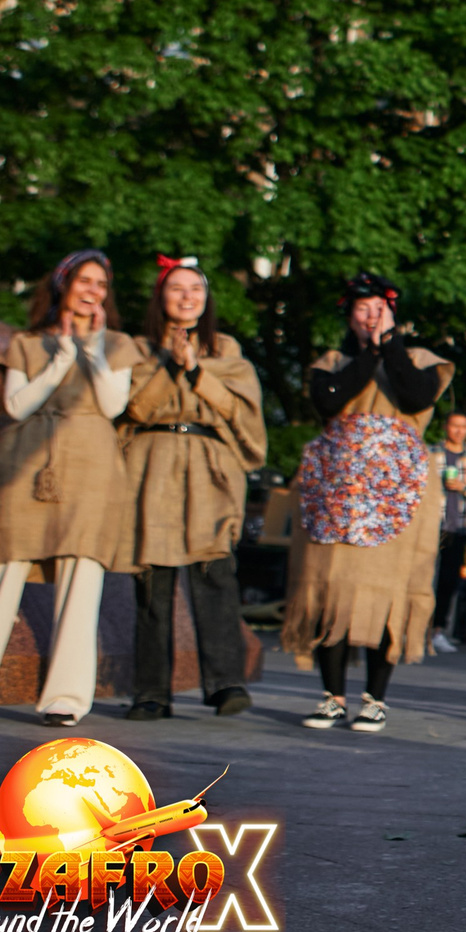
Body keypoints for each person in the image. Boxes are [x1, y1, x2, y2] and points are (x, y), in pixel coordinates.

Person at [0, 250, 138, 725]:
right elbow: (16, 405)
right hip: (26, 460)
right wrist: (58, 363)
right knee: (3, 566)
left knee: (81, 573)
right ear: (63, 286)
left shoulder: (118, 343)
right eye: (84, 281)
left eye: (101, 284)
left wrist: (89, 352)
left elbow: (113, 404)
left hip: (90, 462)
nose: (93, 291)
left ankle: (66, 697)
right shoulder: (27, 342)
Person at [284, 273, 452, 733]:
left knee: (388, 586)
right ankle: (331, 695)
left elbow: (415, 395)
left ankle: (375, 697)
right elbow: (328, 402)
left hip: (396, 488)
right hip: (337, 488)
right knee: (330, 583)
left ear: (394, 312)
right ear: (349, 316)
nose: (371, 316)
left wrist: (389, 347)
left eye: (380, 307)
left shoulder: (422, 360)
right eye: (362, 309)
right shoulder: (333, 362)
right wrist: (371, 352)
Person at [120, 256, 267, 720]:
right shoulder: (138, 348)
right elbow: (136, 408)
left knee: (215, 574)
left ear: (206, 300)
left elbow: (241, 411)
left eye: (196, 289)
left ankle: (226, 684)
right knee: (151, 581)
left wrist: (198, 373)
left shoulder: (226, 349)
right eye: (177, 288)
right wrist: (171, 369)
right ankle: (151, 692)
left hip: (209, 466)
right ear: (160, 297)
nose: (187, 297)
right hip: (153, 464)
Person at [428, 412, 466, 654]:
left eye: (463, 426)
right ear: (446, 427)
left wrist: (464, 487)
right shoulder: (432, 453)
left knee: (448, 582)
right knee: (424, 579)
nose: (459, 430)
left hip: (460, 526)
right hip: (432, 524)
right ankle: (414, 630)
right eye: (454, 425)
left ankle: (438, 631)